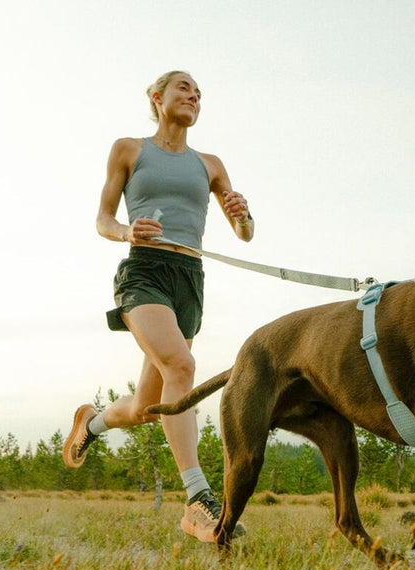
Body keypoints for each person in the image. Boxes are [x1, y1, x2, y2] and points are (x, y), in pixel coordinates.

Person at [63, 71, 253, 543]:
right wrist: (127, 231)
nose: (194, 96)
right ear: (157, 97)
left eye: (199, 94)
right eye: (184, 88)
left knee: (150, 407)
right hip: (144, 271)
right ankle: (197, 500)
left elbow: (245, 234)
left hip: (190, 280)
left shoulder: (210, 164)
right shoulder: (129, 149)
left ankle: (93, 421)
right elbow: (103, 220)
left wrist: (242, 213)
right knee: (182, 366)